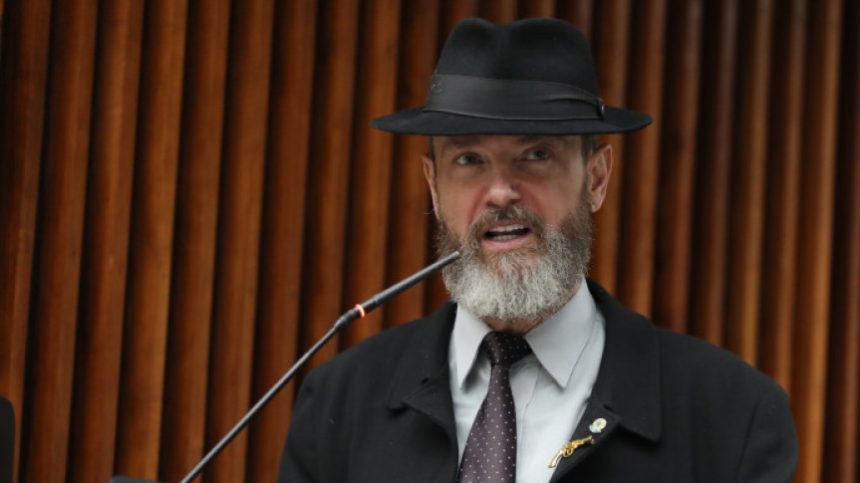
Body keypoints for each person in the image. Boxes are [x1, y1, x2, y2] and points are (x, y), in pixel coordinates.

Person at [279, 17, 798, 482]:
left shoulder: (733, 415)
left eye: (536, 154)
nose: (501, 192)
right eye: (469, 160)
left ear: (596, 178)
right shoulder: (339, 403)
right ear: (434, 186)